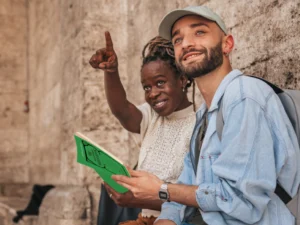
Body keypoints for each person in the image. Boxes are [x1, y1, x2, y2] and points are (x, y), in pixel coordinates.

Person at [112, 5, 300, 225]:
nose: (187, 44)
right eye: (178, 40)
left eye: (199, 32)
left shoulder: (244, 97)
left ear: (227, 44)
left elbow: (240, 201)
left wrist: (162, 190)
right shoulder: (204, 116)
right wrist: (168, 218)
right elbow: (186, 187)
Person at [89, 33, 196, 225]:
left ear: (182, 80)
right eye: (146, 87)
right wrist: (111, 72)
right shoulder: (151, 116)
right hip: (143, 220)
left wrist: (138, 199)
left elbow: (193, 202)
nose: (153, 93)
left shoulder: (198, 124)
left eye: (160, 83)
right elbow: (122, 110)